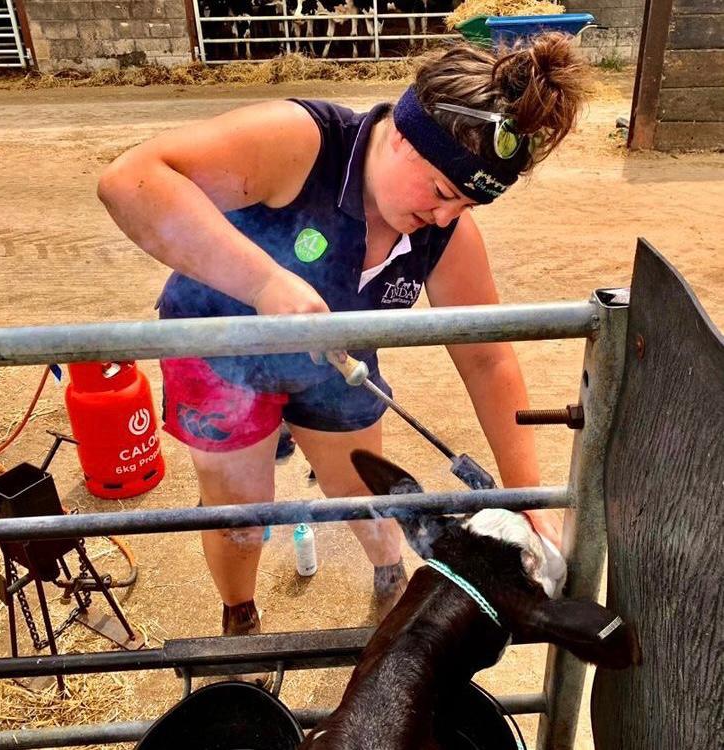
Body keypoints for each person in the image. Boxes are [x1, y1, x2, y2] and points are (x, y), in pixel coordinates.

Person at [98, 33, 585, 651]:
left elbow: (488, 357)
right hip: (221, 354)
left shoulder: (446, 234)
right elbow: (130, 181)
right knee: (241, 511)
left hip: (335, 361)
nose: (443, 217)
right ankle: (240, 618)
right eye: (439, 192)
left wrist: (530, 498)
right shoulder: (302, 142)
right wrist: (266, 280)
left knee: (359, 488)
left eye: (463, 205)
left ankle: (387, 573)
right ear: (406, 133)